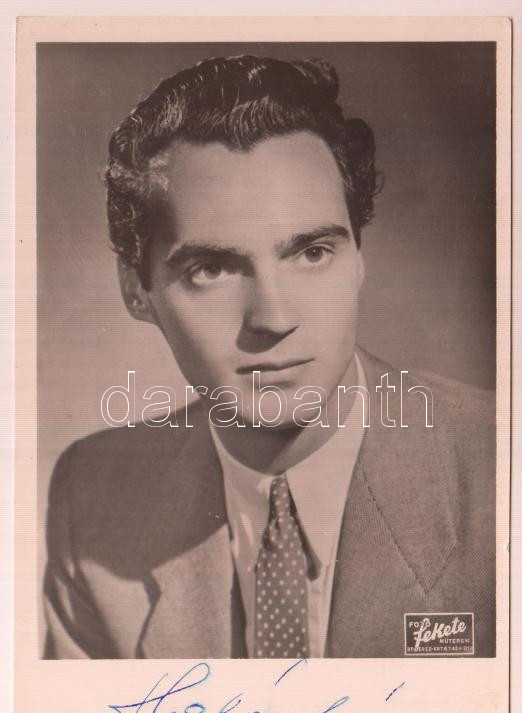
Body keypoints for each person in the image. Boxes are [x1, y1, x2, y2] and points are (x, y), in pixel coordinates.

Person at [43, 54, 495, 659]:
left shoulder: (500, 474)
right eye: (212, 269)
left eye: (312, 253)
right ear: (136, 291)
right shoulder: (94, 498)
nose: (275, 319)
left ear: (358, 259)